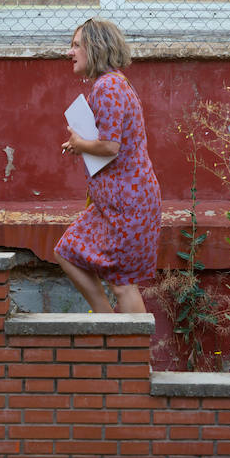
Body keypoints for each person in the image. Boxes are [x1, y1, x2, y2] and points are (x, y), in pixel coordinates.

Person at [54, 18, 161, 313]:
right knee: (66, 250)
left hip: (127, 203)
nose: (70, 52)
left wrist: (80, 145)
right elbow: (110, 143)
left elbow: (110, 146)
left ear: (96, 48)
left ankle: (134, 355)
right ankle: (108, 324)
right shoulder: (110, 84)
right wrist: (82, 144)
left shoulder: (108, 87)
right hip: (113, 204)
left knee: (122, 282)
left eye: (76, 45)